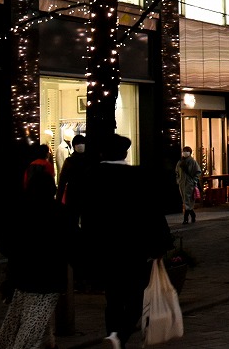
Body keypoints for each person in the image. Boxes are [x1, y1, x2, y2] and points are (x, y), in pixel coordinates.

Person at [79, 134, 172, 349]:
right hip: (134, 248)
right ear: (125, 153)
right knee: (136, 297)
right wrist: (160, 243)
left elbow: (85, 216)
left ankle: (113, 336)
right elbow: (152, 213)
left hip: (104, 248)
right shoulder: (138, 176)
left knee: (112, 297)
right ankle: (119, 337)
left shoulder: (91, 176)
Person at [0, 173, 71, 349]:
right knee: (30, 328)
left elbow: (2, 243)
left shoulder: (18, 210)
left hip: (21, 276)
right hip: (48, 279)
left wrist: (19, 255)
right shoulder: (59, 212)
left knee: (15, 323)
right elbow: (72, 244)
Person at [57, 134, 89, 217]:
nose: (80, 145)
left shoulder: (69, 161)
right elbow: (62, 181)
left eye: (82, 143)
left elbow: (62, 181)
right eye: (78, 143)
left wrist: (58, 199)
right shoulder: (89, 161)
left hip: (73, 194)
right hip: (83, 195)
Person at [175, 146, 201, 224]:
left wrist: (194, 181)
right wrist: (178, 180)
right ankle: (192, 214)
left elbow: (198, 172)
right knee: (185, 199)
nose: (184, 152)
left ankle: (186, 218)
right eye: (184, 151)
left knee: (187, 200)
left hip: (189, 183)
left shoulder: (192, 162)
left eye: (186, 151)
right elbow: (177, 172)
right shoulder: (180, 162)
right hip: (182, 183)